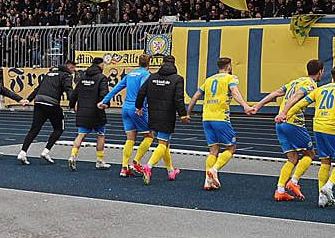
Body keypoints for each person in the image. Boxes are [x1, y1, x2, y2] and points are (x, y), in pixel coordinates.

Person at [278, 63, 335, 208]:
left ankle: (321, 197)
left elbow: (300, 104)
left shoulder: (320, 89)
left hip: (318, 127)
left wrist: (285, 115)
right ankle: (328, 186)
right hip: (334, 127)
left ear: (332, 76)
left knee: (325, 162)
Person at [253, 58, 324, 200]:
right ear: (320, 72)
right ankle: (294, 182)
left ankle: (280, 190)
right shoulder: (310, 84)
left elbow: (275, 93)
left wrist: (257, 106)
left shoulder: (295, 82)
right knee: (310, 154)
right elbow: (297, 96)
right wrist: (284, 113)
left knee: (292, 158)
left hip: (280, 124)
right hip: (293, 122)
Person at [186, 57, 255, 190]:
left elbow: (195, 96)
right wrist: (245, 106)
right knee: (231, 147)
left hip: (206, 118)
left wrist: (188, 112)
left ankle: (207, 181)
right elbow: (234, 92)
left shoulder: (209, 79)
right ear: (229, 66)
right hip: (220, 118)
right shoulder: (230, 78)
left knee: (213, 150)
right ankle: (214, 169)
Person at [134, 55, 188, 184]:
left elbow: (141, 92)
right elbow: (178, 99)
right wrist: (183, 114)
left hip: (153, 113)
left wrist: (138, 106)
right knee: (163, 143)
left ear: (162, 63)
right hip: (167, 114)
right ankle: (149, 166)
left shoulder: (152, 77)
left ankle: (170, 170)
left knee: (165, 144)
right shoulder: (177, 79)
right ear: (174, 64)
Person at [98, 53, 154, 178]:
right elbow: (143, 91)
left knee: (130, 138)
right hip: (137, 108)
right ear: (149, 64)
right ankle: (135, 162)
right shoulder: (146, 75)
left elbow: (116, 88)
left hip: (126, 108)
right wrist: (141, 106)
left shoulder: (130, 74)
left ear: (138, 63)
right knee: (149, 136)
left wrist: (104, 101)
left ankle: (124, 167)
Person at [17, 61, 75, 165]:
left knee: (34, 129)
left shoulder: (49, 74)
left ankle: (22, 152)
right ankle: (45, 152)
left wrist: (28, 99)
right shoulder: (66, 76)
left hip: (39, 101)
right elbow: (68, 89)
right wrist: (73, 104)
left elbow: (38, 88)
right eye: (73, 68)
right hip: (51, 103)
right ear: (69, 67)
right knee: (59, 129)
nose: (74, 70)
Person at [67, 57, 111, 171]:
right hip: (96, 111)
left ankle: (72, 156)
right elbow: (104, 93)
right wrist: (106, 103)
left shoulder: (83, 77)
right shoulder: (101, 78)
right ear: (100, 65)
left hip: (83, 111)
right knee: (101, 135)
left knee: (80, 135)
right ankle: (99, 160)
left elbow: (75, 93)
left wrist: (72, 105)